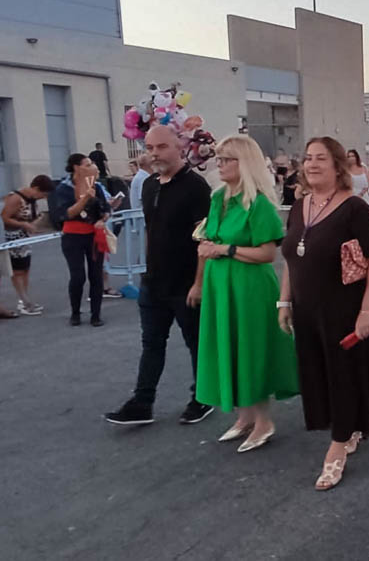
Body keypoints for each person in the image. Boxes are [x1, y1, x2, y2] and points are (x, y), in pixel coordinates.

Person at [280, 136, 369, 490]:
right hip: (306, 309)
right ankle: (351, 425)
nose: (312, 164)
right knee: (318, 374)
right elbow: (291, 258)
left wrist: (367, 311)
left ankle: (337, 447)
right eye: (308, 158)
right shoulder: (300, 207)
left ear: (338, 165)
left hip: (343, 309)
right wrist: (284, 302)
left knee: (343, 375)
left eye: (321, 158)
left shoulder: (354, 209)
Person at [192, 135, 299, 452]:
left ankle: (263, 421)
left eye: (227, 159)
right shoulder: (218, 198)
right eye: (219, 158)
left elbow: (267, 253)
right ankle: (245, 416)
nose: (220, 164)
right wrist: (203, 273)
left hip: (248, 286)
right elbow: (209, 240)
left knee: (250, 349)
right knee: (229, 345)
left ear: (245, 163)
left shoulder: (259, 204)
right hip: (220, 284)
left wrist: (224, 249)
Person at [104, 125, 214, 426]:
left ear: (180, 147)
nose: (154, 154)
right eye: (150, 148)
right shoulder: (150, 184)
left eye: (161, 147)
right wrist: (147, 271)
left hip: (186, 283)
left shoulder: (196, 187)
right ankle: (142, 403)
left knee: (196, 343)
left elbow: (205, 239)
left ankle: (202, 397)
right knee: (152, 343)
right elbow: (152, 231)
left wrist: (199, 283)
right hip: (153, 282)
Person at [49, 153, 111, 326]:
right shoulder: (63, 189)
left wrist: (103, 218)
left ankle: (96, 315)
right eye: (87, 165)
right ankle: (75, 313)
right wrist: (85, 199)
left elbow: (106, 208)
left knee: (96, 275)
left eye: (91, 164)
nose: (91, 167)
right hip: (73, 236)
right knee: (78, 276)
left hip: (93, 235)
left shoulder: (96, 186)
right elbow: (66, 214)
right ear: (76, 167)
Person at [2, 175, 55, 315]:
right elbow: (5, 218)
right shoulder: (16, 198)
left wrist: (33, 224)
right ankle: (24, 301)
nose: (43, 197)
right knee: (17, 270)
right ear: (36, 188)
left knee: (25, 269)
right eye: (43, 194)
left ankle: (24, 299)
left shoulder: (31, 199)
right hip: (13, 237)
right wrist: (23, 224)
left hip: (24, 238)